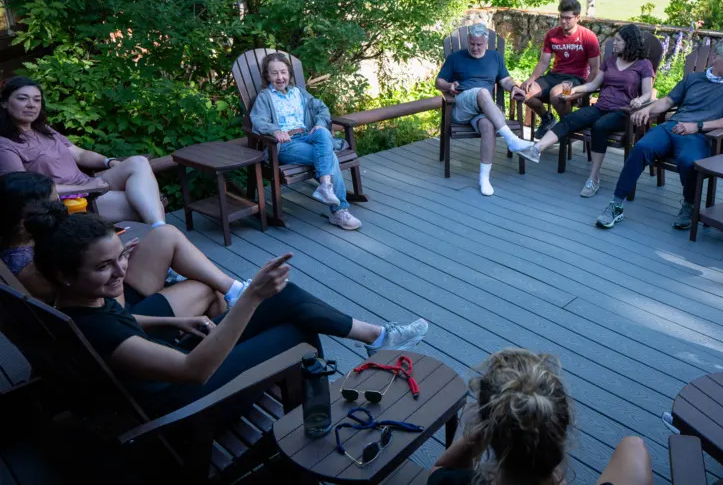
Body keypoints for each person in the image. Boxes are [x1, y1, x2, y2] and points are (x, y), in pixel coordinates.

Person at [25, 202, 429, 417]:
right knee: (295, 337)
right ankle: (310, 424)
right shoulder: (96, 328)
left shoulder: (75, 304)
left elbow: (123, 320)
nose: (120, 272)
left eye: (120, 257)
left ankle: (376, 337)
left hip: (171, 361)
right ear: (63, 274)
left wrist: (172, 319)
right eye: (103, 266)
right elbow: (192, 371)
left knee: (284, 299)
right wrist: (250, 296)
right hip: (183, 401)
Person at [1, 171, 247, 315]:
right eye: (54, 204)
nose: (61, 208)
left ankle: (235, 290)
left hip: (108, 288)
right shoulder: (32, 269)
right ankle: (235, 343)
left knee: (165, 234)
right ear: (25, 216)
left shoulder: (23, 247)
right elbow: (100, 305)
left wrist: (116, 258)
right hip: (117, 312)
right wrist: (120, 263)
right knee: (207, 288)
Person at [428, 348, 653, 485]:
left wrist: (476, 436)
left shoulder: (451, 482)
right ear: (562, 427)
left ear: (489, 431)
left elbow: (438, 472)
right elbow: (633, 447)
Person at [594, 39, 723, 230]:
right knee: (641, 147)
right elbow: (667, 101)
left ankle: (689, 205)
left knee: (688, 161)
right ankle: (616, 204)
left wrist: (697, 126)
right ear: (715, 58)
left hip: (699, 135)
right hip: (672, 127)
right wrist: (647, 110)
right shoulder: (693, 79)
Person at [0, 76, 168, 226]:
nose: (31, 105)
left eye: (36, 100)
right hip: (71, 201)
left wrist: (108, 162)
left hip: (88, 184)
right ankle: (161, 231)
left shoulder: (44, 130)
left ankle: (160, 233)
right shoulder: (5, 144)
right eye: (23, 99)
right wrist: (86, 187)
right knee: (150, 202)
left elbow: (79, 154)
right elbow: (24, 191)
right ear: (5, 103)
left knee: (138, 161)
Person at [517, 24, 654, 199]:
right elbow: (593, 85)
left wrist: (640, 100)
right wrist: (574, 90)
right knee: (570, 119)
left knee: (600, 126)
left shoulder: (643, 65)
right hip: (601, 106)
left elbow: (648, 92)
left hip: (623, 112)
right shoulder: (610, 60)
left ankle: (594, 177)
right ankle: (537, 149)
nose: (615, 43)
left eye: (619, 40)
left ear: (629, 42)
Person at [249, 52, 361, 231]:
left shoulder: (299, 93)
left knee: (323, 132)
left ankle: (326, 187)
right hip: (287, 143)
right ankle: (338, 211)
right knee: (329, 156)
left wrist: (318, 124)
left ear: (289, 73)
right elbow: (258, 121)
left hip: (308, 136)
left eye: (283, 72)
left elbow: (322, 108)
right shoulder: (264, 97)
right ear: (267, 76)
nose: (280, 77)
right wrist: (275, 130)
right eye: (275, 73)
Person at [435, 23, 533, 196]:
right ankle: (511, 139)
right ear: (468, 41)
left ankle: (484, 178)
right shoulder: (456, 58)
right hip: (462, 107)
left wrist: (514, 87)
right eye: (472, 44)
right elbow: (438, 82)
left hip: (484, 110)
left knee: (488, 125)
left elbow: (505, 80)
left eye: (479, 44)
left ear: (486, 43)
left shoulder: (495, 57)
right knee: (482, 92)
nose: (475, 48)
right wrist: (449, 85)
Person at [520, 0, 601, 139]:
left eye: (568, 18)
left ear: (577, 18)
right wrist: (531, 79)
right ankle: (547, 119)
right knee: (524, 93)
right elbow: (544, 61)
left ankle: (568, 128)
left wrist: (585, 92)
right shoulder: (552, 35)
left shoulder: (588, 37)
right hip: (555, 75)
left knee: (556, 94)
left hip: (576, 79)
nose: (563, 21)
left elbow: (595, 69)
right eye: (561, 17)